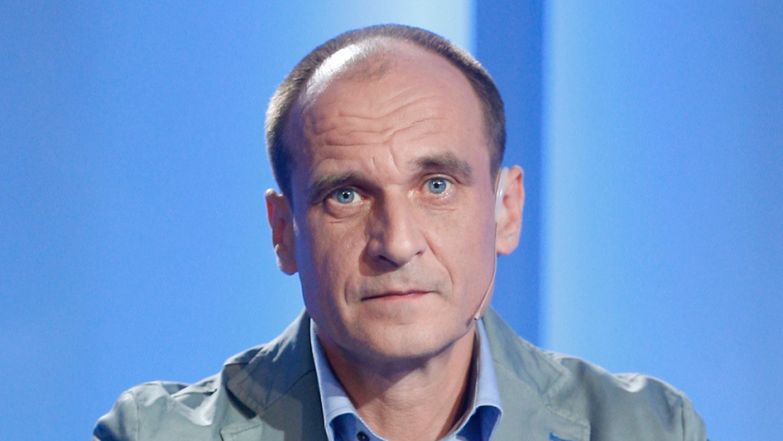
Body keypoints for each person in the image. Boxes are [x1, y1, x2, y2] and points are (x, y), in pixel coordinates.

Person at [94, 24, 706, 441]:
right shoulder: (155, 435)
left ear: (507, 209)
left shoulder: (646, 428)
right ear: (284, 232)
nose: (397, 242)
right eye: (346, 195)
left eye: (437, 185)